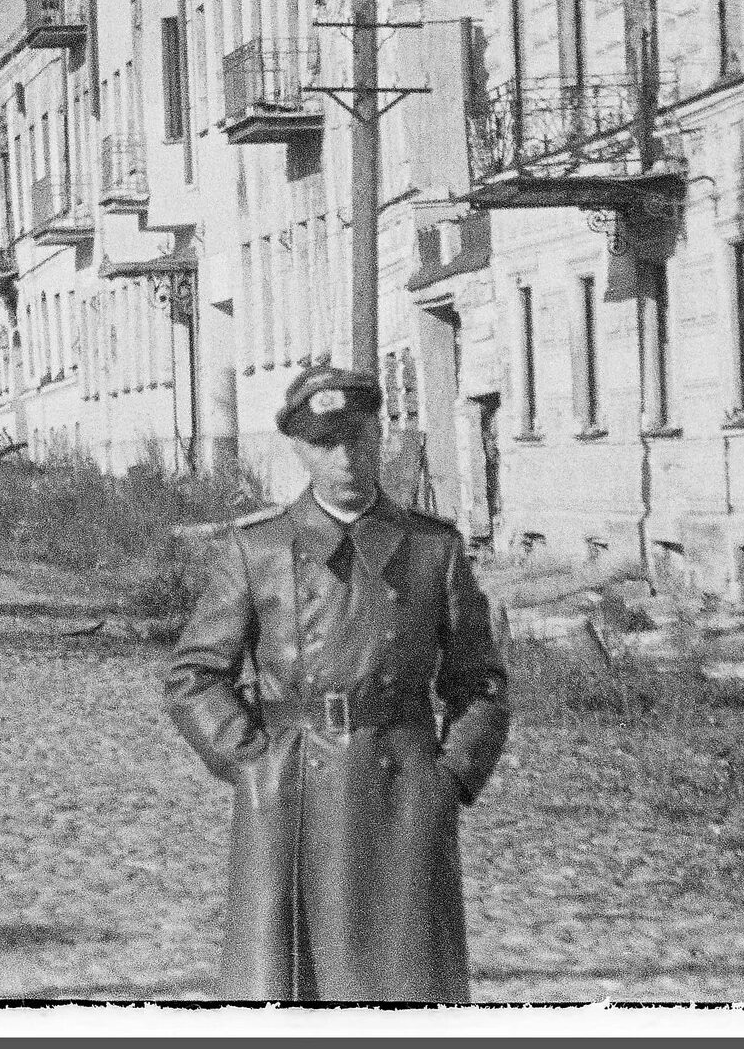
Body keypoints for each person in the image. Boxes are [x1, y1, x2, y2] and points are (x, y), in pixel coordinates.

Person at [163, 363, 510, 1003]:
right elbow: (194, 675)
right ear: (296, 447)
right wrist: (250, 757)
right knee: (293, 983)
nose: (345, 459)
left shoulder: (433, 551)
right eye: (325, 444)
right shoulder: (257, 550)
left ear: (380, 433)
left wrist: (451, 776)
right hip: (290, 791)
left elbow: (478, 680)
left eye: (357, 437)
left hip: (403, 791)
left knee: (408, 979)